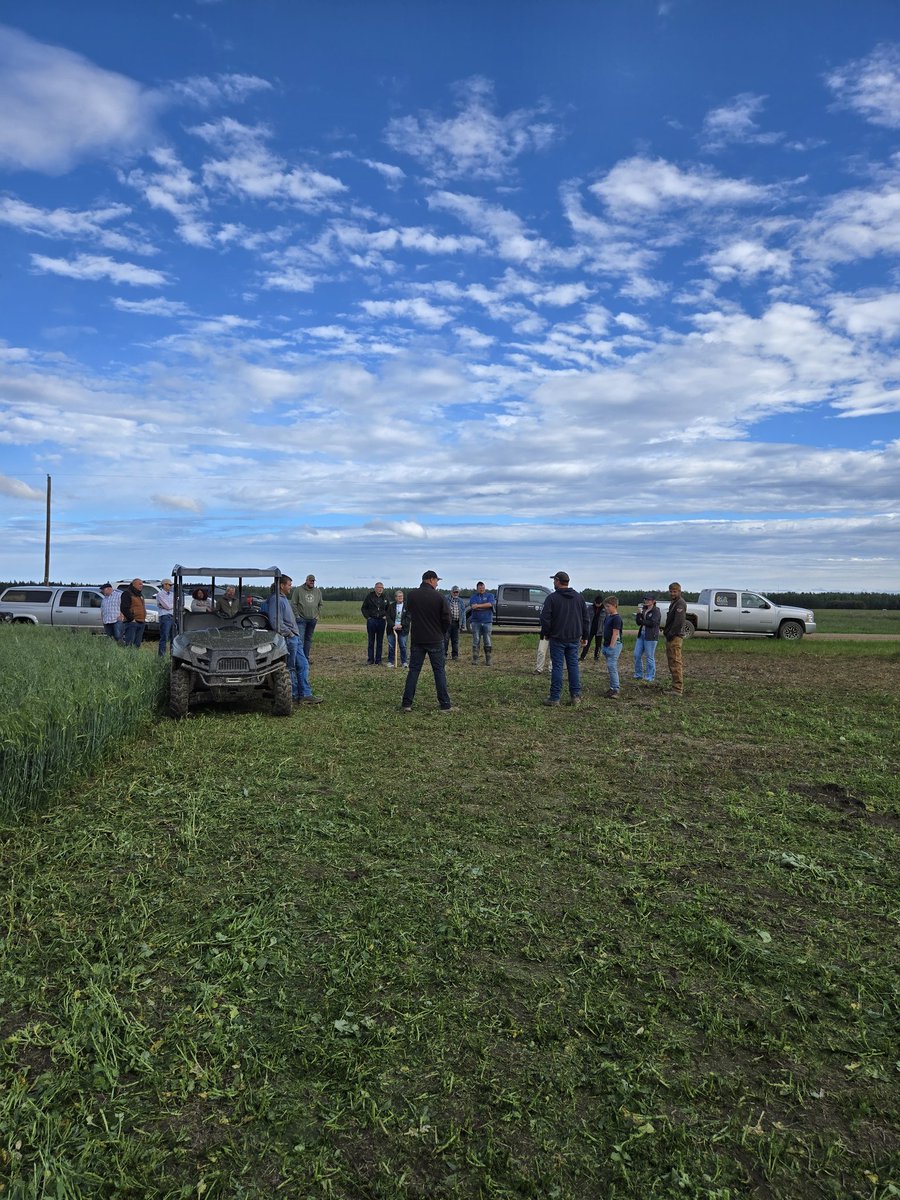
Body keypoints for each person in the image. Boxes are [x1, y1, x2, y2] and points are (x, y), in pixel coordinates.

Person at [263, 575, 323, 706]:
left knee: (303, 665)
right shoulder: (276, 600)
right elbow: (276, 622)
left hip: (295, 637)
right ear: (281, 586)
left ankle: (305, 695)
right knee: (291, 668)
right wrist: (289, 634)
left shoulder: (283, 599)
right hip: (290, 639)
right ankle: (293, 695)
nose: (290, 587)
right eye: (289, 585)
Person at [401, 571, 452, 712]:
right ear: (431, 580)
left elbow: (409, 611)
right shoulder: (439, 597)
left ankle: (406, 703)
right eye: (436, 581)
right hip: (435, 639)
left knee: (414, 671)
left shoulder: (412, 595)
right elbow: (447, 619)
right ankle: (445, 704)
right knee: (439, 671)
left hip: (418, 639)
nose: (437, 583)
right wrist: (441, 632)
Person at [540, 571, 588, 706]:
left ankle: (555, 698)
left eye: (554, 580)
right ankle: (576, 697)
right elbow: (585, 619)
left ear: (557, 581)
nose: (553, 583)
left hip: (557, 638)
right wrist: (585, 636)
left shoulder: (552, 598)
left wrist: (547, 633)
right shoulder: (579, 598)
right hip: (574, 638)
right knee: (573, 666)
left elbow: (545, 618)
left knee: (558, 667)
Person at [291, 573, 323, 662]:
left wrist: (317, 615)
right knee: (300, 640)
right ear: (306, 581)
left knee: (308, 639)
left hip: (313, 619)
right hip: (301, 619)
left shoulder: (318, 591)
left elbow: (320, 604)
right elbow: (293, 603)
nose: (312, 582)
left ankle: (306, 658)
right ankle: (299, 660)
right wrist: (297, 616)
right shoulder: (298, 590)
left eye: (313, 581)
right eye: (311, 581)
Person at [664, 581, 688, 696]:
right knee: (672, 662)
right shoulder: (674, 602)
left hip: (675, 637)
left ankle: (677, 689)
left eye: (675, 591)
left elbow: (678, 622)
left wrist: (670, 634)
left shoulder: (680, 604)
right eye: (671, 591)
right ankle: (675, 687)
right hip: (672, 636)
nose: (672, 593)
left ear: (679, 591)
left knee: (675, 662)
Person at [633, 595, 661, 683]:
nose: (647, 601)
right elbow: (638, 622)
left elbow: (653, 623)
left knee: (649, 657)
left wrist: (642, 621)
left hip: (651, 636)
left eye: (649, 600)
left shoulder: (656, 611)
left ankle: (650, 676)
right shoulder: (644, 609)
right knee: (636, 654)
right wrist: (638, 614)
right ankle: (638, 674)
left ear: (653, 601)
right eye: (646, 599)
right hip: (642, 634)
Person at [601, 596, 624, 699]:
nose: (606, 608)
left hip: (614, 645)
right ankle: (612, 687)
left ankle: (615, 689)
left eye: (608, 606)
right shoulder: (608, 616)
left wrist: (611, 647)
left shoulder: (617, 618)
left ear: (614, 606)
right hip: (606, 644)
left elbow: (615, 634)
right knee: (610, 667)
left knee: (612, 667)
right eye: (605, 606)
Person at [468, 581, 495, 666]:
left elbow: (490, 604)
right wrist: (485, 606)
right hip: (476, 622)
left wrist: (478, 606)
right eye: (480, 588)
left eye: (483, 588)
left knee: (487, 641)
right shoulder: (473, 597)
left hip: (487, 621)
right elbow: (473, 606)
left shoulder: (490, 595)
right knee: (476, 640)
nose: (481, 589)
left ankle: (488, 659)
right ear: (477, 589)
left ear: (485, 588)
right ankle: (475, 659)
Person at [361, 581, 388, 664]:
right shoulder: (369, 596)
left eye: (382, 588)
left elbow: (389, 609)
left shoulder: (385, 597)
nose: (380, 589)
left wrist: (386, 616)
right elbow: (363, 608)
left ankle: (378, 660)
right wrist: (368, 617)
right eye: (379, 587)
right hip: (372, 621)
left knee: (380, 641)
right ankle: (370, 659)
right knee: (371, 641)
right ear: (375, 588)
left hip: (381, 621)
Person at [120, 579, 147, 648]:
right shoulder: (127, 593)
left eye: (142, 584)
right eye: (139, 584)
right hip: (132, 623)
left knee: (137, 645)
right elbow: (124, 608)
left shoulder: (139, 594)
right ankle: (128, 658)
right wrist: (132, 619)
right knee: (129, 644)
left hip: (141, 622)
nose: (141, 586)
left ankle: (135, 658)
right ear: (133, 584)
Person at [386, 590, 410, 668]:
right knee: (391, 646)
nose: (400, 598)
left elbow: (409, 617)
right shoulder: (391, 606)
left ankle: (404, 662)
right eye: (399, 596)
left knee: (403, 645)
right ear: (395, 597)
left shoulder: (407, 606)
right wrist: (393, 625)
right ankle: (390, 661)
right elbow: (388, 617)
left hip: (403, 629)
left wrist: (402, 625)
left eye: (402, 596)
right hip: (392, 629)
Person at [579, 596, 605, 661]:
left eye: (599, 603)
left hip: (600, 630)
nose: (598, 605)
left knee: (598, 645)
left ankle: (596, 657)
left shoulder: (604, 610)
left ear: (602, 603)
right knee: (586, 643)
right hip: (590, 629)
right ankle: (582, 657)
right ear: (594, 602)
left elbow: (606, 620)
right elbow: (585, 617)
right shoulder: (590, 608)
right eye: (596, 603)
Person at [444, 585, 467, 659]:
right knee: (445, 640)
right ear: (451, 592)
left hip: (456, 623)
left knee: (455, 640)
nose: (456, 593)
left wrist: (463, 624)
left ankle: (455, 655)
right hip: (447, 623)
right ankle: (444, 654)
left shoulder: (461, 601)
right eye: (454, 592)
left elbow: (463, 614)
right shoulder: (446, 599)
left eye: (457, 592)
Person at [156, 577, 175, 654]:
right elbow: (167, 606)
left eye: (170, 585)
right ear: (164, 585)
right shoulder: (160, 594)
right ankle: (161, 655)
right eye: (169, 585)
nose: (170, 586)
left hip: (172, 616)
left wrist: (169, 605)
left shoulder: (172, 594)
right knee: (164, 637)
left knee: (173, 637)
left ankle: (172, 655)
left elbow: (169, 605)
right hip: (165, 616)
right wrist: (172, 605)